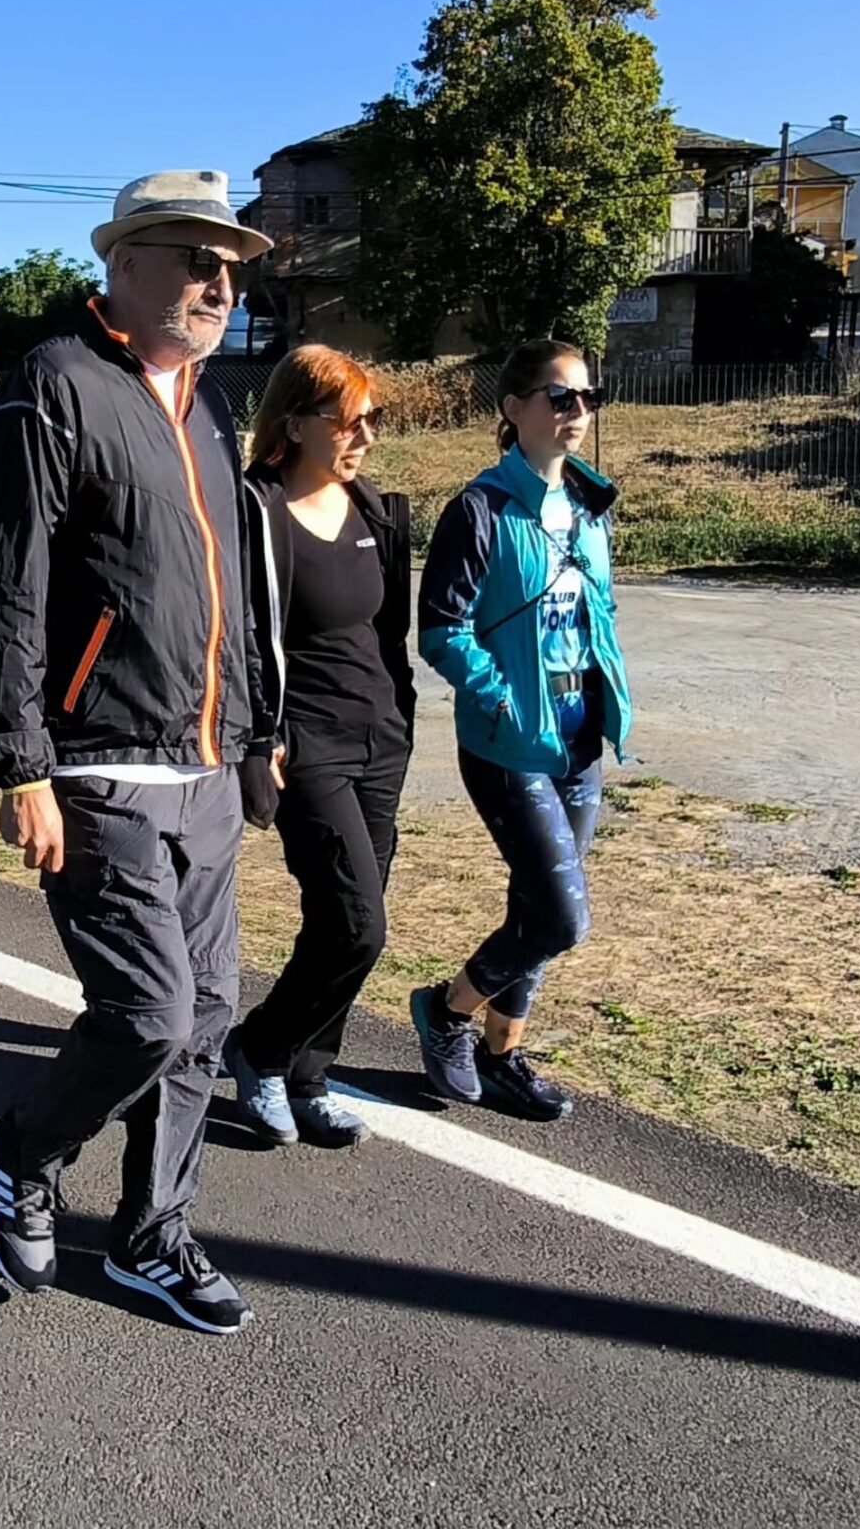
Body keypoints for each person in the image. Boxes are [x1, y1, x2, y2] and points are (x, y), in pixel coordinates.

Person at [0, 169, 276, 1336]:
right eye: (195, 259)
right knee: (145, 1014)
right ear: (123, 263)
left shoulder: (203, 405)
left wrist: (250, 739)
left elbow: (227, 594)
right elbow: (8, 584)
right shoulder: (56, 383)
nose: (217, 283)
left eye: (230, 267)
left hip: (202, 767)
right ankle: (24, 1151)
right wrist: (21, 762)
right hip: (96, 764)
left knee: (203, 1022)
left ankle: (152, 1234)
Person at [407, 338, 634, 1122]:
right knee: (563, 918)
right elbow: (440, 627)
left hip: (578, 740)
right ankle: (448, 1011)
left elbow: (596, 615)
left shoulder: (587, 507)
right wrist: (499, 699)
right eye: (559, 397)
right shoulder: (480, 508)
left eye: (587, 397)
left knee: (533, 910)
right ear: (514, 409)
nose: (577, 412)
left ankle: (504, 1056)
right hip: (508, 745)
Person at [221, 345, 416, 1152]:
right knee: (356, 925)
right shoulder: (253, 511)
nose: (363, 436)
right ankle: (260, 1049)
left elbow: (387, 633)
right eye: (347, 421)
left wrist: (402, 718)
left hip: (381, 741)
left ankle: (309, 1075)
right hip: (306, 747)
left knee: (341, 920)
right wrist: (258, 736)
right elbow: (229, 639)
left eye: (371, 420)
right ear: (295, 422)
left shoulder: (374, 508)